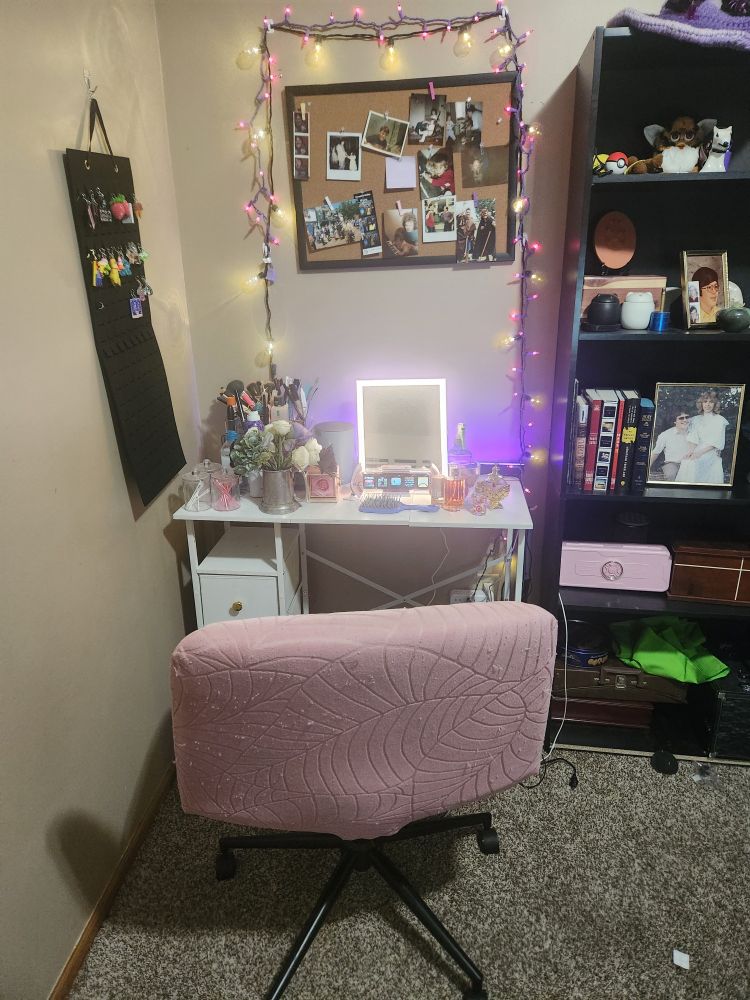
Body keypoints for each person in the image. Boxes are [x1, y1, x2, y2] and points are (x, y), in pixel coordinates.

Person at [682, 389, 729, 484]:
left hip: (710, 451)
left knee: (694, 463)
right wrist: (691, 451)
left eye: (711, 402)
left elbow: (716, 442)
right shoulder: (695, 419)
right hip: (696, 449)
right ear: (701, 404)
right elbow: (693, 437)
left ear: (715, 404)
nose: (707, 404)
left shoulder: (720, 420)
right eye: (705, 402)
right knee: (687, 461)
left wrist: (699, 453)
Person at [649, 410, 695, 481]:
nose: (685, 420)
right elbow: (656, 452)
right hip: (673, 464)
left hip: (690, 463)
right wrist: (646, 468)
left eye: (687, 417)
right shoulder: (665, 435)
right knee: (670, 474)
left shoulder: (693, 433)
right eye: (681, 418)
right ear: (674, 421)